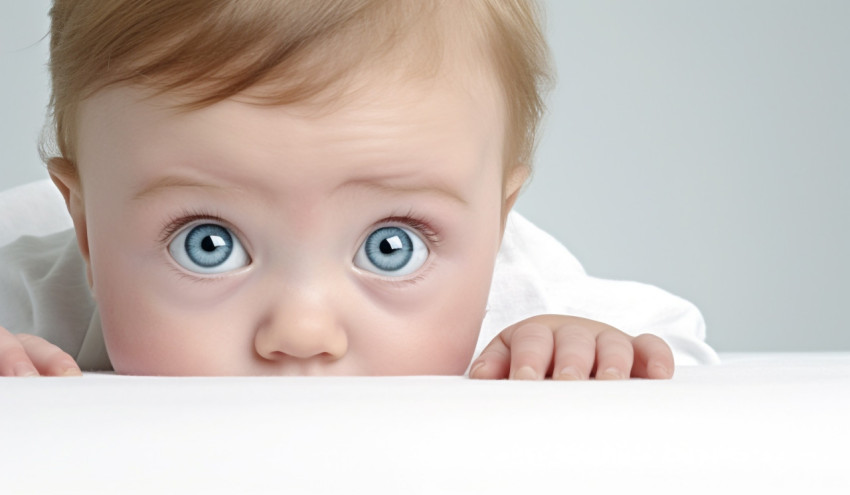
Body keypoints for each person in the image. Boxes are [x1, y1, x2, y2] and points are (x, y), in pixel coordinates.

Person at [0, 0, 717, 379]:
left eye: (390, 245)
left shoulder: (524, 301)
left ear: (496, 225)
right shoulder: (29, 293)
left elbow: (681, 349)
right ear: (87, 228)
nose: (304, 332)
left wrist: (589, 352)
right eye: (207, 243)